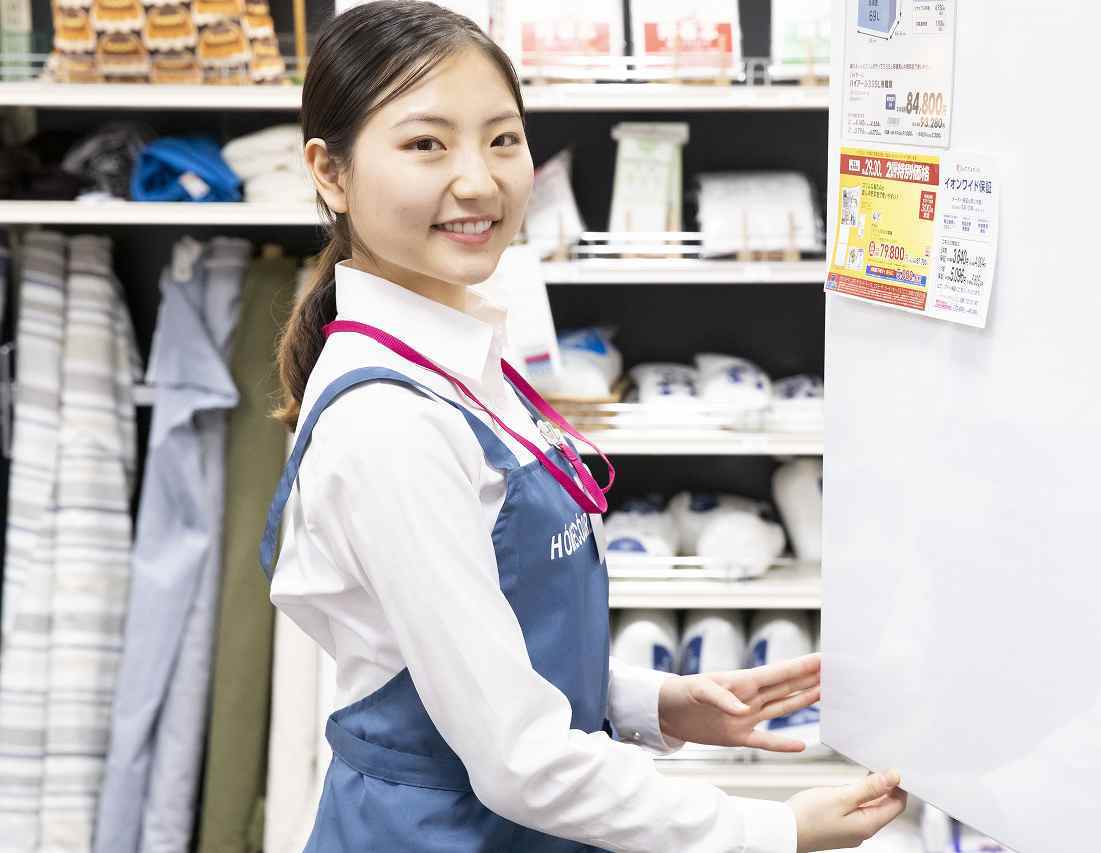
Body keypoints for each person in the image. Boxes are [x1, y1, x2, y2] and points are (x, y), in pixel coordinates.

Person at [259, 2, 907, 851]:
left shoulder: (461, 356)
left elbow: (480, 652)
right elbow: (518, 758)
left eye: (502, 138)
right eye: (426, 145)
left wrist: (655, 701)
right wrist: (772, 827)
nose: (478, 181)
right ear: (331, 173)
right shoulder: (390, 424)